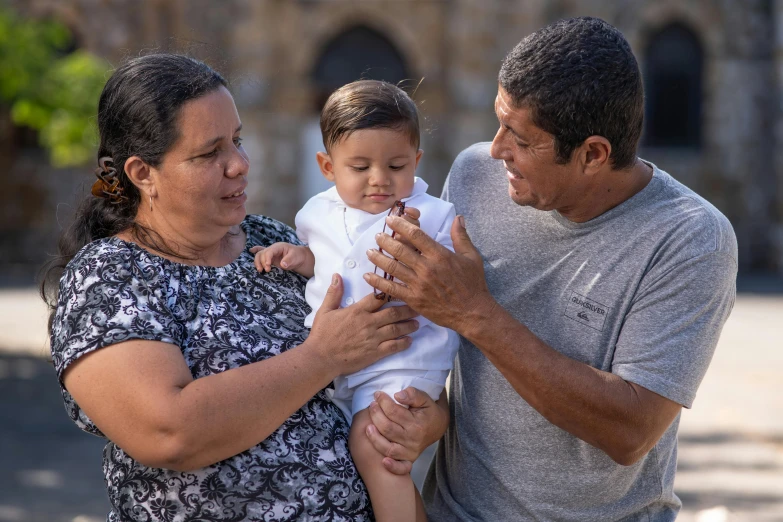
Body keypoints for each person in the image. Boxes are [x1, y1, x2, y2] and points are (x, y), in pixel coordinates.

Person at [362, 17, 738, 521]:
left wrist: (476, 314)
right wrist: (426, 417)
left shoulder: (690, 239)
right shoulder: (475, 176)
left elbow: (630, 431)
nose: (496, 150)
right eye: (498, 123)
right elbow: (437, 349)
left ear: (593, 154)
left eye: (519, 138)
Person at [40, 54, 443, 521]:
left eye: (237, 140)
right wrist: (323, 357)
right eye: (210, 153)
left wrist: (424, 420)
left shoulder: (276, 240)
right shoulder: (108, 278)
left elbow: (408, 350)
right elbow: (169, 433)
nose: (239, 164)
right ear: (142, 173)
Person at [252, 79, 459, 522]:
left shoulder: (433, 216)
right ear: (328, 166)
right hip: (344, 372)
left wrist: (423, 254)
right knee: (352, 446)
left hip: (404, 359)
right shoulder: (316, 214)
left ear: (417, 161)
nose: (380, 179)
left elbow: (450, 284)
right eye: (360, 167)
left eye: (397, 165)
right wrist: (299, 258)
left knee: (374, 446)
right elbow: (331, 264)